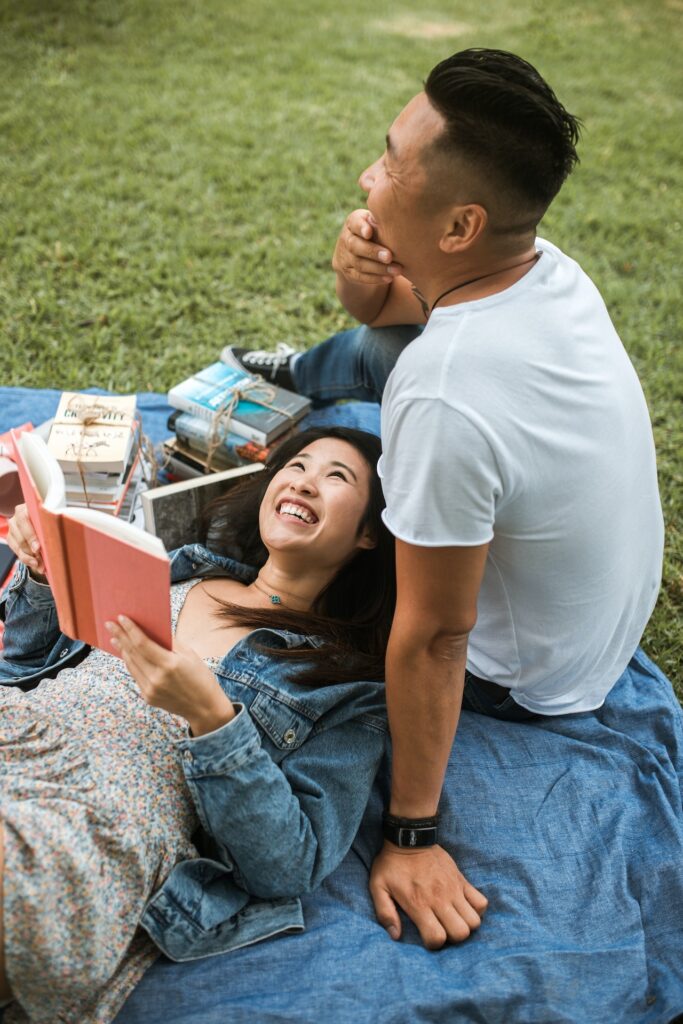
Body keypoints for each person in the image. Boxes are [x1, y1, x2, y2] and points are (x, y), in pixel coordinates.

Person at [225, 49, 665, 950]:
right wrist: (357, 272)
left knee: (294, 565)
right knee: (374, 354)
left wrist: (413, 832)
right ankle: (301, 373)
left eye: (389, 162)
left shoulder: (447, 393)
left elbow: (436, 635)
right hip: (599, 624)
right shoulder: (540, 267)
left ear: (460, 223)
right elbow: (387, 310)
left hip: (521, 679)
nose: (366, 175)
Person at [0, 426, 399, 1024]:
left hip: (105, 808)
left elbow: (288, 865)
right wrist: (39, 576)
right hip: (21, 729)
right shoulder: (180, 570)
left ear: (369, 532)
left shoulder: (343, 687)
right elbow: (22, 662)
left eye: (336, 477)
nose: (303, 480)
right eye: (296, 465)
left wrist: (212, 720)